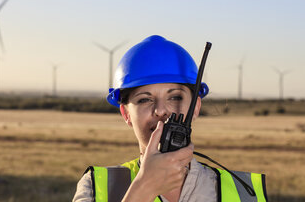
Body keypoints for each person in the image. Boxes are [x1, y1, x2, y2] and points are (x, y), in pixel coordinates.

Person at [72, 35, 267, 202]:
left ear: (196, 107)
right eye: (144, 99)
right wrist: (143, 189)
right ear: (126, 114)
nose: (161, 110)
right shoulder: (97, 185)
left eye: (175, 97)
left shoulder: (244, 192)